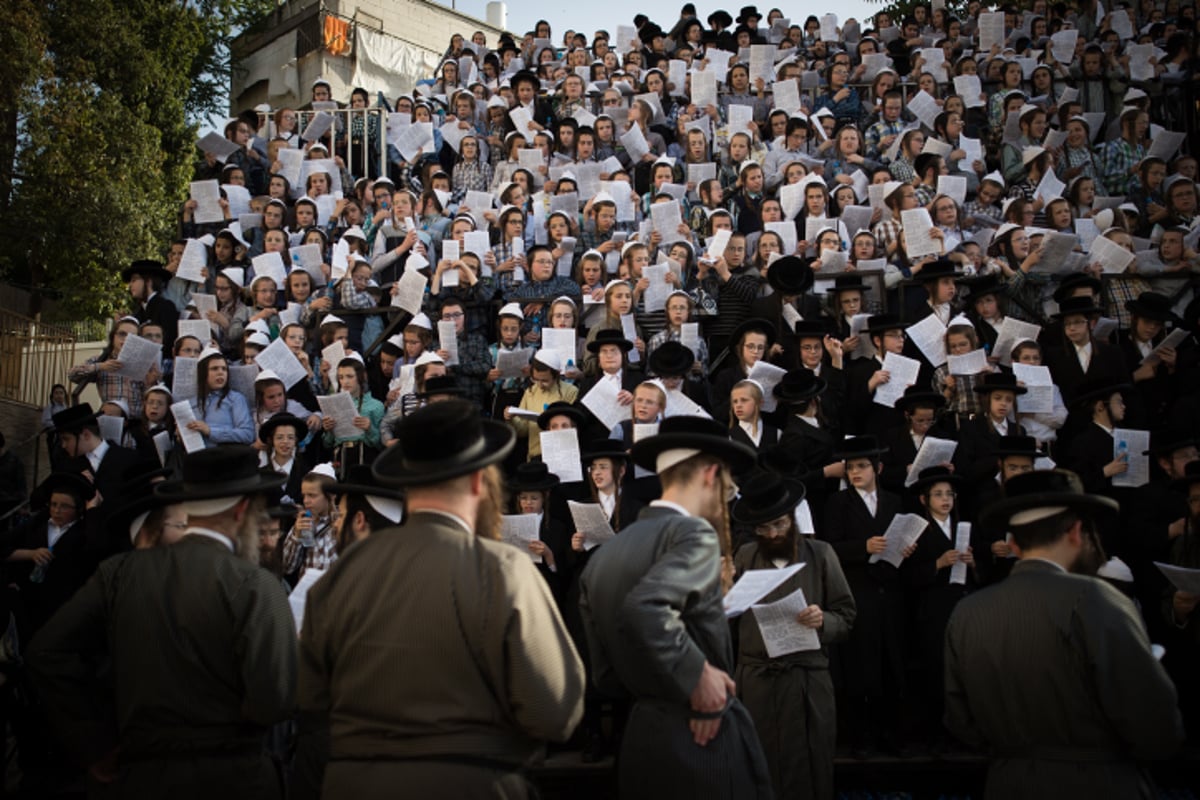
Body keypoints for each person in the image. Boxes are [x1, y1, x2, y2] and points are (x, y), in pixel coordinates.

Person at [294, 401, 585, 798]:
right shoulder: (502, 569)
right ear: (481, 483)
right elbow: (554, 711)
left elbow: (308, 697)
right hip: (469, 784)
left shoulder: (342, 574)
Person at [27, 446, 296, 799]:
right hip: (233, 778)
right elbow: (273, 701)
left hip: (138, 774)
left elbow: (44, 653)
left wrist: (94, 743)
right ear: (243, 510)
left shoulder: (118, 572)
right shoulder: (255, 584)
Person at [945, 469, 1184, 798]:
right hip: (1098, 785)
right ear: (1076, 531)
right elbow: (1156, 727)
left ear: (1013, 542)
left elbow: (961, 722)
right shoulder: (1097, 599)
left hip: (1008, 783)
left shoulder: (967, 613)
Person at [578, 415, 772, 800]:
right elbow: (647, 607)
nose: (727, 496)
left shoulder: (607, 552)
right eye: (728, 484)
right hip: (703, 740)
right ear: (710, 474)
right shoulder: (694, 533)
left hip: (641, 739)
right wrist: (698, 677)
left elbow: (604, 675)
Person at [731, 471, 856, 800]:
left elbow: (847, 617)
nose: (772, 534)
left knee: (810, 771)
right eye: (763, 528)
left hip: (806, 682)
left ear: (793, 520)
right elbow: (723, 617)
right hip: (757, 681)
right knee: (760, 768)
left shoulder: (821, 554)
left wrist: (822, 620)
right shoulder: (744, 557)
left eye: (779, 525)